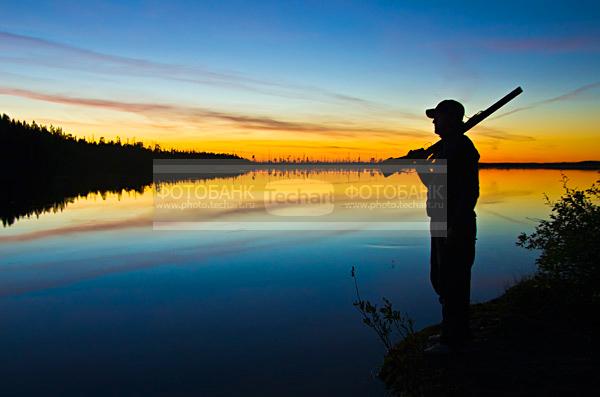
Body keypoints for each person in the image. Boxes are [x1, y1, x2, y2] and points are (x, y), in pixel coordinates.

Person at [415, 99, 480, 354]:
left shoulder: (462, 147)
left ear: (452, 118)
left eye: (437, 116)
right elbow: (435, 185)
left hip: (456, 223)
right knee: (441, 279)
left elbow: (470, 191)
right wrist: (420, 165)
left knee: (455, 282)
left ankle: (455, 341)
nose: (433, 121)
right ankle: (450, 332)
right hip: (441, 221)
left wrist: (456, 225)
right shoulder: (446, 148)